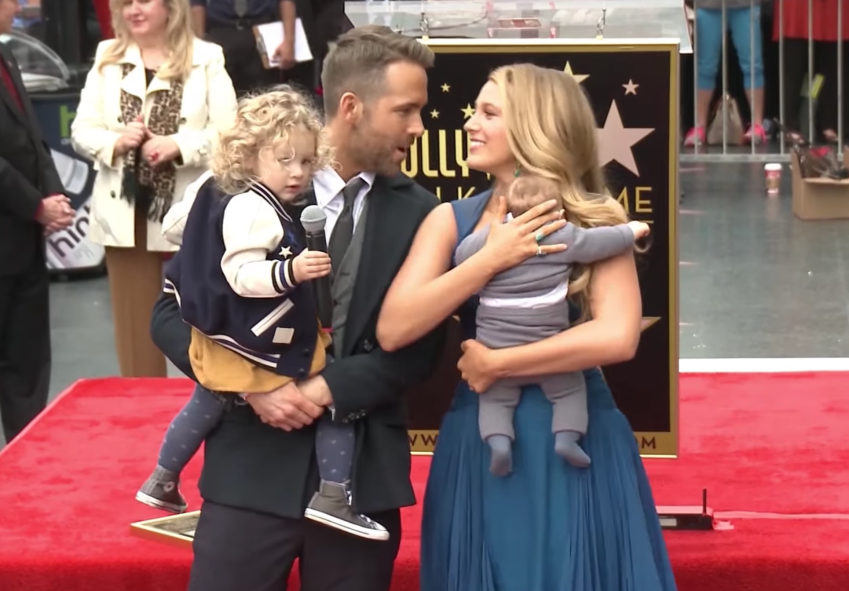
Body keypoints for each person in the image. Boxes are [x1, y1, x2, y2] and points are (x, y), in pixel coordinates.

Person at [148, 26, 445, 591]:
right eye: (406, 110)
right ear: (352, 107)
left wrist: (318, 392)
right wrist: (251, 383)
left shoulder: (423, 214)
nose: (419, 126)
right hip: (246, 472)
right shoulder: (237, 190)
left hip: (362, 482)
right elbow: (170, 313)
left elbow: (419, 351)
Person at [376, 63, 678, 591]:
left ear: (536, 127)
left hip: (578, 438)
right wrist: (489, 260)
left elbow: (617, 336)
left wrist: (500, 363)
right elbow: (394, 328)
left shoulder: (596, 219)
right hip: (486, 439)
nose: (470, 122)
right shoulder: (450, 221)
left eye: (489, 112)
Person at [136, 87, 388, 541]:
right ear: (250, 155)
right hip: (261, 343)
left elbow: (179, 230)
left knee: (205, 403)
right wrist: (290, 269)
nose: (297, 173)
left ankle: (163, 478)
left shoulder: (223, 195)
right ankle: (334, 495)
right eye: (284, 159)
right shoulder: (255, 207)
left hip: (230, 339)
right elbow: (238, 275)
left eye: (306, 162)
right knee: (333, 400)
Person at [71, 0, 237, 378]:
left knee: (208, 317)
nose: (133, 10)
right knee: (134, 331)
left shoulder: (207, 57)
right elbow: (83, 130)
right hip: (123, 212)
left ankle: (218, 400)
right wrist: (116, 141)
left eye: (143, 0)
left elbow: (230, 134)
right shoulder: (107, 56)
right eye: (125, 3)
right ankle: (140, 407)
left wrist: (180, 145)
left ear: (170, 6)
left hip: (189, 211)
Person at [454, 174, 650, 476]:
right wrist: (632, 230)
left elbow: (462, 255)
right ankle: (567, 439)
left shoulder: (493, 239)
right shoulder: (564, 235)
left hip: (495, 343)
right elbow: (602, 242)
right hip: (547, 347)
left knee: (494, 401)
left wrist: (490, 235)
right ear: (558, 212)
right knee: (570, 391)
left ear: (508, 209)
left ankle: (499, 444)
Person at [0, 0, 74, 443]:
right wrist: (34, 206)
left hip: (23, 241)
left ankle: (25, 458)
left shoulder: (7, 52)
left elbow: (31, 132)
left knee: (28, 364)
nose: (16, 3)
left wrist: (51, 194)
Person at [189, 0, 313, 97]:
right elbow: (197, 4)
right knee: (219, 96)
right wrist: (199, 44)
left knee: (265, 96)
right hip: (220, 32)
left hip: (261, 32)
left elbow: (287, 1)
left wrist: (289, 41)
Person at [684, 0, 765, 146]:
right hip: (708, 4)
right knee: (705, 67)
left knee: (752, 65)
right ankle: (699, 126)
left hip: (745, 4)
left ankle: (757, 125)